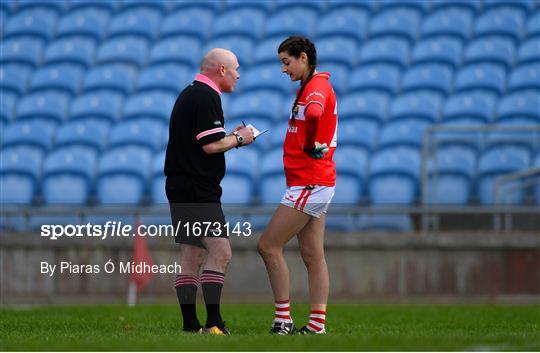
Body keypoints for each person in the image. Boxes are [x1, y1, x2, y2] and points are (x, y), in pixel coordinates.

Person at [164, 48, 255, 335]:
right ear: (222, 70)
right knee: (221, 251)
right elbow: (210, 145)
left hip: (181, 185)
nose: (239, 74)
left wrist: (229, 137)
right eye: (236, 68)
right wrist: (239, 139)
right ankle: (213, 323)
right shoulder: (206, 95)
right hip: (197, 187)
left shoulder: (190, 92)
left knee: (192, 256)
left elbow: (207, 140)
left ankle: (190, 325)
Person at [257, 36, 337, 335]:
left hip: (309, 182)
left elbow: (315, 113)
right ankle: (317, 325)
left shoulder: (316, 87)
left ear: (303, 58)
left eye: (286, 61)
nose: (283, 68)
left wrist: (310, 141)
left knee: (268, 245)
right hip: (313, 180)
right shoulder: (312, 85)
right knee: (313, 255)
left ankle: (283, 320)